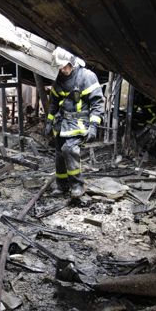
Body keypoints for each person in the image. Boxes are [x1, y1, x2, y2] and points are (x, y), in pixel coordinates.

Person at [44, 47, 105, 198]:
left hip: (79, 122)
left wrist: (93, 126)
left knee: (69, 149)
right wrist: (49, 122)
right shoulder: (59, 80)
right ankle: (62, 186)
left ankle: (77, 185)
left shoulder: (87, 77)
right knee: (59, 154)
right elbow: (53, 103)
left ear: (71, 62)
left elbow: (97, 104)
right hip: (62, 123)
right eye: (60, 67)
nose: (63, 70)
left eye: (64, 66)